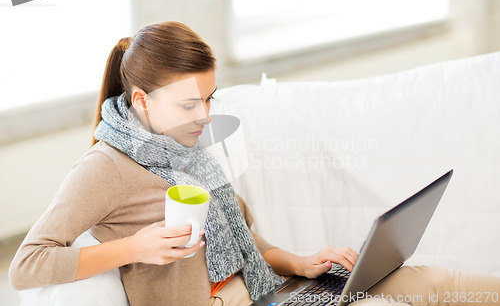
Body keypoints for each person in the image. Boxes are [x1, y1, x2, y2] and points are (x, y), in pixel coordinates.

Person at [8, 21, 500, 306]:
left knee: (432, 281)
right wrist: (134, 247)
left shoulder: (185, 148)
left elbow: (243, 240)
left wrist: (300, 262)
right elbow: (26, 267)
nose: (205, 116)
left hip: (268, 293)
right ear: (141, 100)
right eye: (188, 104)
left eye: (209, 98)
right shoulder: (104, 168)